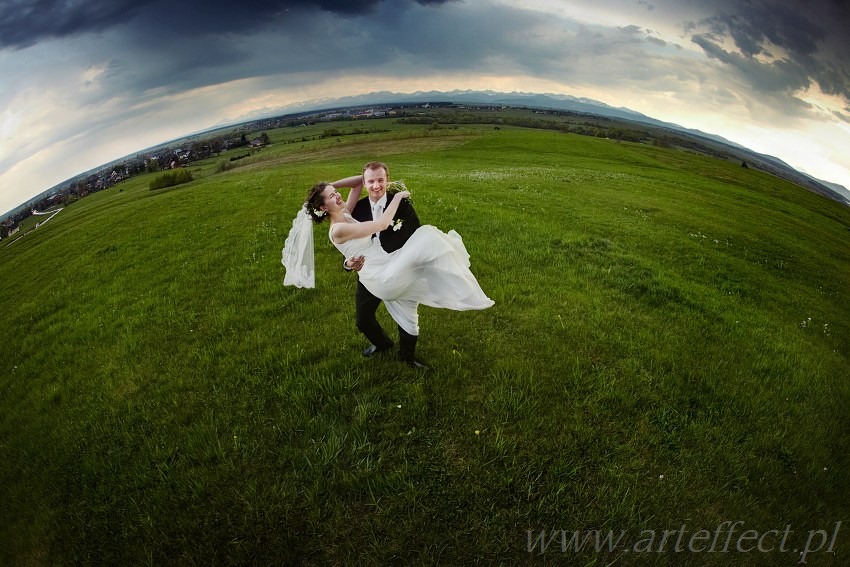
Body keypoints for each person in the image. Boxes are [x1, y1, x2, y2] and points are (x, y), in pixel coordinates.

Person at [281, 164, 493, 368]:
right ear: (323, 208)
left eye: (337, 192)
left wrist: (326, 188)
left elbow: (357, 183)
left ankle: (406, 357)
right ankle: (382, 344)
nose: (338, 196)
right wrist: (399, 194)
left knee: (409, 312)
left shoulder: (346, 211)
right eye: (332, 197)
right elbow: (381, 225)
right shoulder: (338, 228)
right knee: (427, 236)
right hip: (376, 274)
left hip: (389, 260)